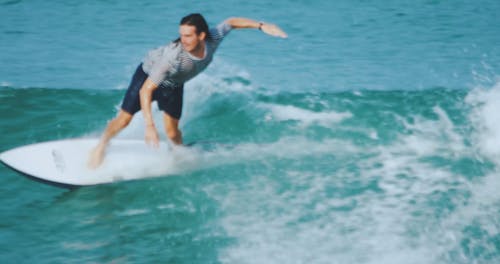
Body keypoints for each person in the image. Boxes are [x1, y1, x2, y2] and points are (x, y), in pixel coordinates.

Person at [88, 13, 287, 169]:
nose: (183, 39)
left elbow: (232, 22)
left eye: (188, 35)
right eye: (181, 35)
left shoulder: (212, 39)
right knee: (124, 119)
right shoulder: (173, 58)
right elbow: (146, 90)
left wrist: (261, 26)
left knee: (173, 133)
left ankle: (179, 155)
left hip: (174, 85)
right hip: (147, 76)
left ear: (201, 35)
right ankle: (102, 145)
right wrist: (149, 126)